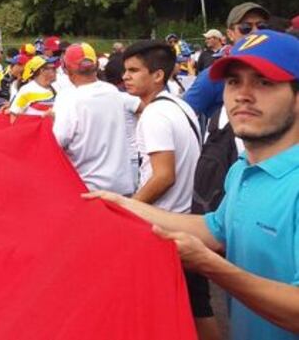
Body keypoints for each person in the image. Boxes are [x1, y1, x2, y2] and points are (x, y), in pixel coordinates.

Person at [86, 29, 299, 339]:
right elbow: (215, 229)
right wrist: (120, 203)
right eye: (233, 82)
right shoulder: (243, 170)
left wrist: (212, 267)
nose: (243, 94)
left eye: (264, 82)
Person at [122, 41, 201, 212]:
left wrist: (129, 208)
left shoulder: (155, 114)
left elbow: (164, 177)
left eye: (133, 70)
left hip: (165, 217)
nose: (125, 76)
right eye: (126, 70)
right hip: (187, 212)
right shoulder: (180, 105)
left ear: (158, 76)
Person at [52, 43, 136, 195]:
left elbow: (57, 141)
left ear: (66, 69)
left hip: (90, 188)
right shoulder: (112, 91)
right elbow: (141, 106)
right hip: (122, 185)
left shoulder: (67, 98)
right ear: (96, 65)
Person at [185, 2, 271, 116]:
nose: (255, 32)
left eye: (262, 26)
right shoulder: (213, 76)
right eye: (246, 27)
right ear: (230, 34)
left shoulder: (283, 67)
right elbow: (181, 114)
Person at [9, 56, 57, 120]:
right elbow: (14, 115)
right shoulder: (27, 90)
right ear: (41, 71)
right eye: (53, 68)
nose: (56, 70)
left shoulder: (56, 86)